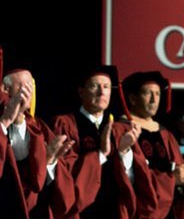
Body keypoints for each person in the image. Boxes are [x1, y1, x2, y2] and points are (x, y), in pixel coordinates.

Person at [52, 64, 154, 218]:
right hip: (80, 212)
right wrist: (100, 155)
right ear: (81, 92)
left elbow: (136, 182)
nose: (101, 92)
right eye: (95, 86)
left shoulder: (121, 130)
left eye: (106, 87)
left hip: (114, 210)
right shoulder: (65, 124)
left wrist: (124, 152)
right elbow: (64, 174)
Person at [118, 71, 184, 219]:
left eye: (157, 94)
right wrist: (172, 179)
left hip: (167, 209)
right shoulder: (121, 129)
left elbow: (179, 172)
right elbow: (125, 177)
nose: (154, 100)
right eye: (148, 93)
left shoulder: (165, 134)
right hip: (135, 210)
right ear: (133, 99)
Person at [0, 68, 76, 218]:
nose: (30, 91)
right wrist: (11, 120)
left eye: (31, 85)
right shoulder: (5, 119)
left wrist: (49, 161)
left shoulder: (37, 126)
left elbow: (36, 185)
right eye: (24, 85)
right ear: (5, 89)